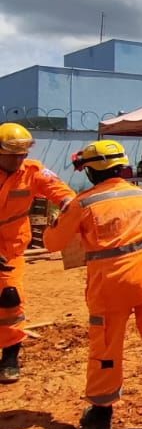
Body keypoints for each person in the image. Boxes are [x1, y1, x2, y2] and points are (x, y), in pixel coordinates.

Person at [43, 140, 142, 429]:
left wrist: (57, 221)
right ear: (122, 168)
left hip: (111, 286)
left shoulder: (83, 203)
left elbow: (53, 243)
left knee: (106, 346)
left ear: (91, 171)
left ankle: (101, 411)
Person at [0, 123, 75, 383]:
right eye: (12, 155)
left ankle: (10, 356)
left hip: (11, 248)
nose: (18, 160)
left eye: (22, 154)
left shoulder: (32, 171)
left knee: (10, 299)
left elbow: (62, 192)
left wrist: (68, 207)